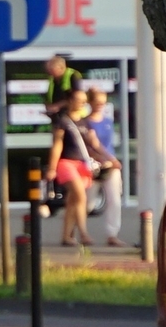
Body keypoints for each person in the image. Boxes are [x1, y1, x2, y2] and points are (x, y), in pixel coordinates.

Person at [48, 91, 98, 247]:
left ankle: (66, 236)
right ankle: (84, 233)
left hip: (81, 164)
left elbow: (93, 144)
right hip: (66, 163)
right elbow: (57, 144)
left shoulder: (85, 122)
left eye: (84, 101)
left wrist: (106, 159)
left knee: (72, 202)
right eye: (78, 100)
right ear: (70, 101)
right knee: (80, 196)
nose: (81, 103)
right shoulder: (63, 121)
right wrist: (52, 167)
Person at [86, 87, 126, 246]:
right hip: (93, 164)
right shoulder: (86, 122)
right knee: (87, 201)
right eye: (97, 103)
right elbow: (91, 146)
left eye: (103, 102)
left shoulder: (108, 121)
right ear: (90, 103)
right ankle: (79, 231)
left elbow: (108, 144)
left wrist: (111, 160)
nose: (100, 106)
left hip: (110, 164)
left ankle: (112, 234)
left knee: (114, 199)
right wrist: (106, 159)